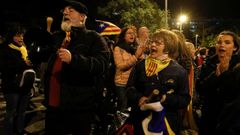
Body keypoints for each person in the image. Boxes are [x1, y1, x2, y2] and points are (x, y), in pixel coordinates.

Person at [43, 0, 110, 134]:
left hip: (78, 109)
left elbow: (102, 64)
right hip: (53, 106)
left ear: (82, 17)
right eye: (64, 10)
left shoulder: (94, 38)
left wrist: (73, 59)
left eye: (71, 10)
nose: (65, 12)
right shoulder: (57, 37)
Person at [125, 29, 191, 135]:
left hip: (166, 124)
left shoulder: (179, 71)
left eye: (158, 43)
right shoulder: (140, 66)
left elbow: (185, 99)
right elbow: (129, 89)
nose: (153, 45)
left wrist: (165, 98)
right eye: (152, 42)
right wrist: (139, 97)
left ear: (168, 48)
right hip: (140, 120)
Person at [196, 30, 240, 135]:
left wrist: (224, 74)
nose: (222, 45)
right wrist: (215, 75)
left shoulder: (238, 66)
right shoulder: (208, 64)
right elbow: (200, 88)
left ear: (235, 47)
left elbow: (232, 94)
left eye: (227, 42)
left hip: (230, 121)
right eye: (219, 42)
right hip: (209, 117)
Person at [0, 22, 35, 135]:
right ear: (11, 36)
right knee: (11, 112)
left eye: (22, 35)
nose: (21, 38)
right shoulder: (5, 49)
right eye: (17, 35)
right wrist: (25, 64)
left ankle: (19, 131)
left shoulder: (24, 49)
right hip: (11, 87)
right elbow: (6, 68)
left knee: (22, 111)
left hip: (25, 87)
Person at [113, 25, 144, 112]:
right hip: (122, 84)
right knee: (123, 108)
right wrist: (136, 56)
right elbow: (121, 66)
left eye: (134, 33)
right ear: (123, 36)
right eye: (129, 33)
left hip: (133, 84)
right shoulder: (118, 48)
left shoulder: (133, 49)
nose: (132, 35)